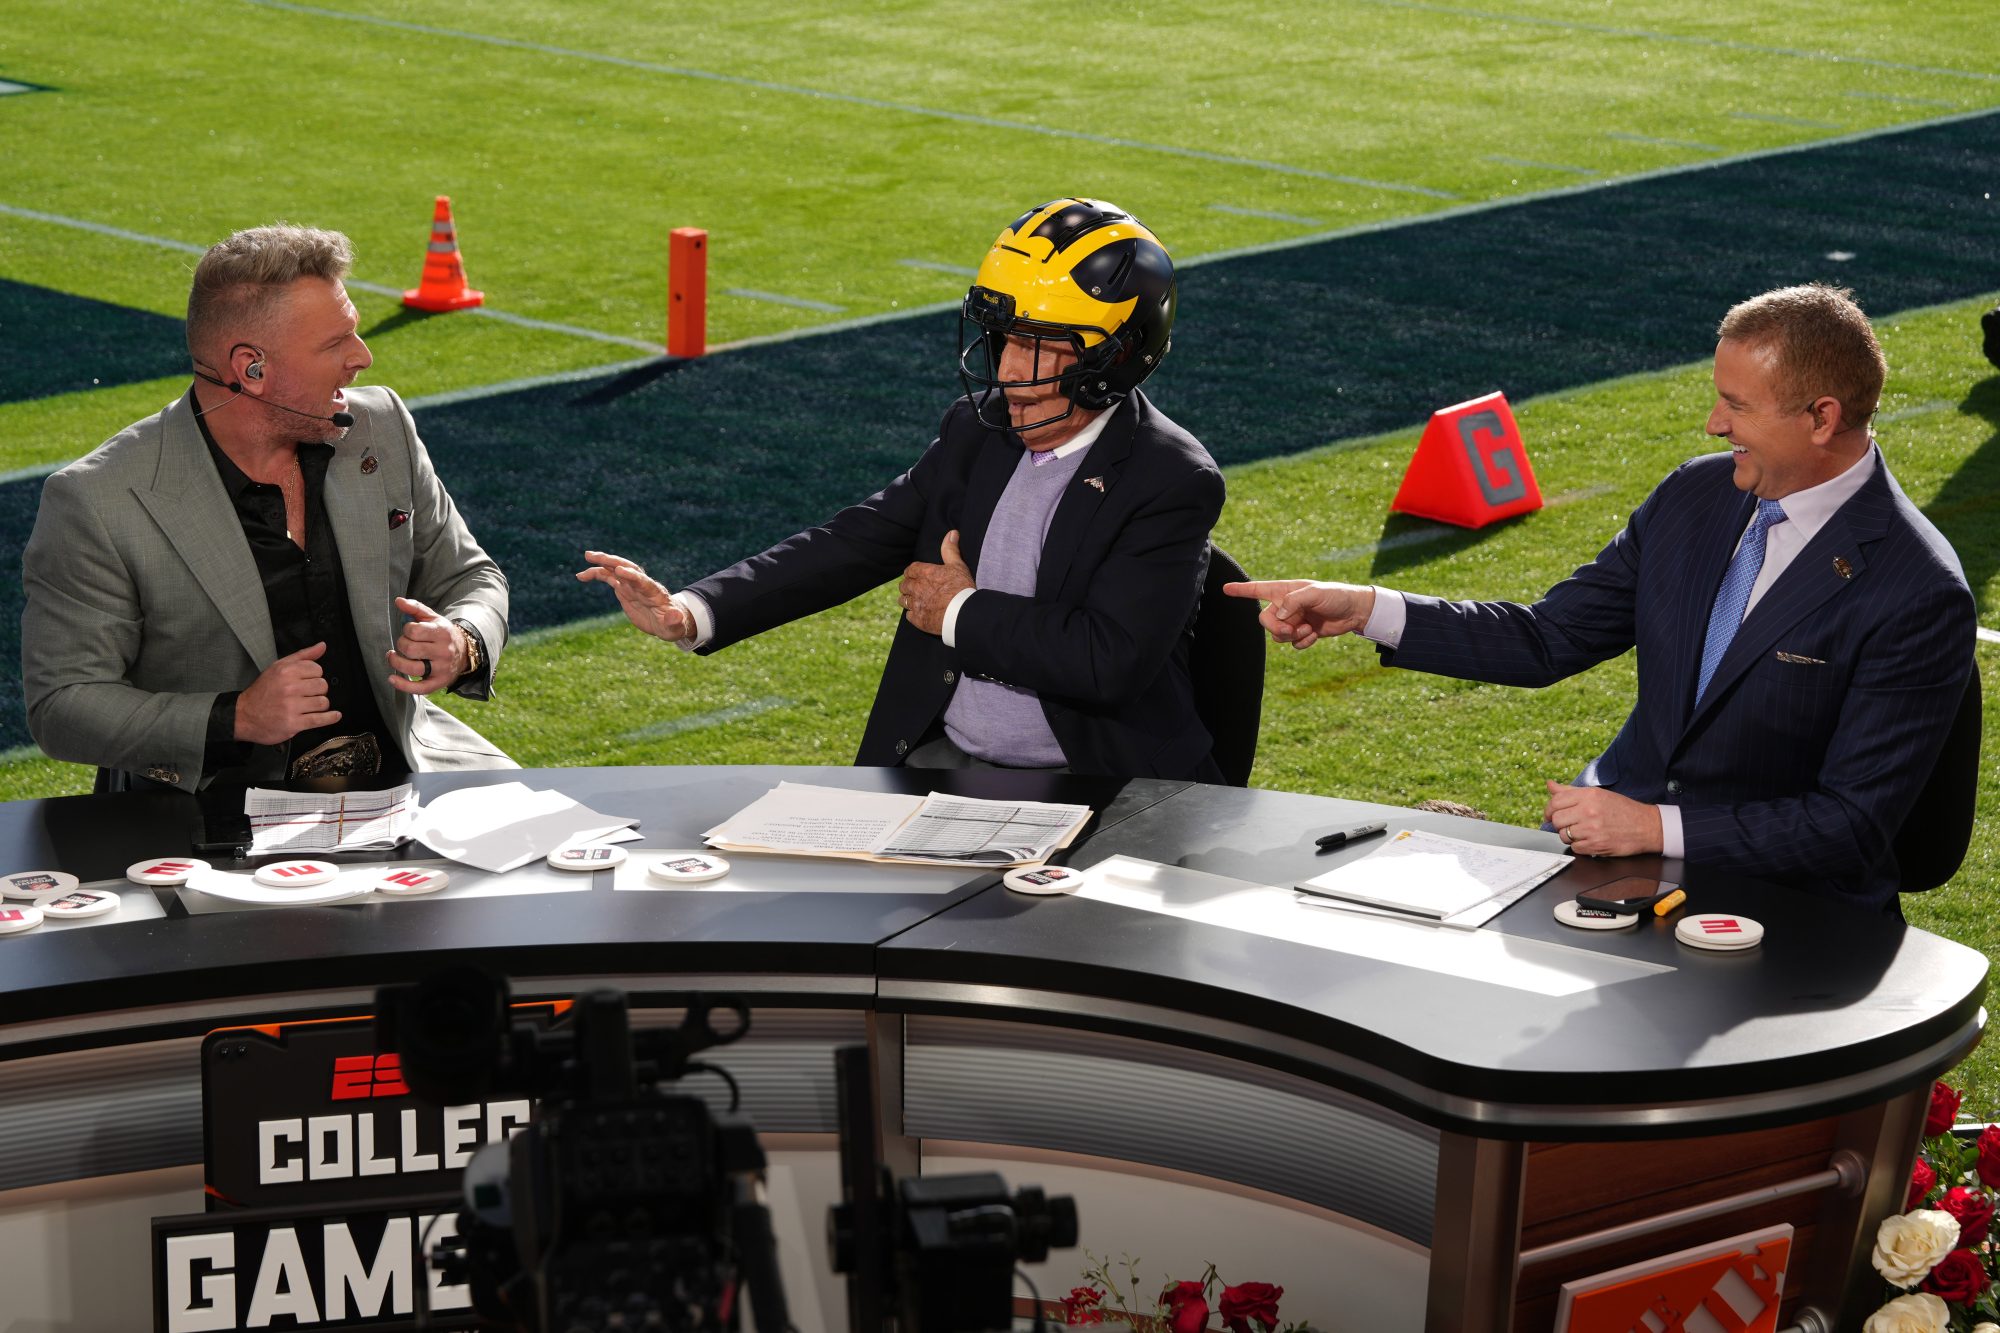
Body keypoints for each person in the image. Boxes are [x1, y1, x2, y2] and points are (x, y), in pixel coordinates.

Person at [1227, 284, 1973, 911]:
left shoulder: (1918, 590)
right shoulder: (1694, 495)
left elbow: (1848, 827)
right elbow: (1548, 638)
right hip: (1614, 867)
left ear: (1821, 417)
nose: (1715, 424)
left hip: (1785, 909)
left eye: (1736, 407)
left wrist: (1655, 827)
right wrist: (1365, 608)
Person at [580, 198, 1226, 779]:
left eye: (1038, 346)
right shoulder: (978, 431)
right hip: (941, 760)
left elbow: (1107, 659)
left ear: (1115, 357)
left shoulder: (1172, 478)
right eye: (1003, 339)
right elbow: (858, 539)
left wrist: (958, 612)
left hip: (1097, 780)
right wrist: (692, 611)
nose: (1005, 370)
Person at [22, 223, 513, 791]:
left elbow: (471, 576)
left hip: (405, 768)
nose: (364, 358)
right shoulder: (98, 500)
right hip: (212, 806)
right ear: (251, 369)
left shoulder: (379, 426)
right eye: (335, 343)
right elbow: (63, 704)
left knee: (550, 855)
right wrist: (236, 717)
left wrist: (464, 640)